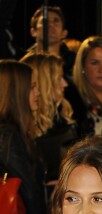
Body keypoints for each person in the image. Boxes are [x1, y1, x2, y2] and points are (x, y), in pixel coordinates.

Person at [0, 60, 46, 214]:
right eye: (32, 87)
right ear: (16, 92)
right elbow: (30, 192)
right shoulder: (9, 137)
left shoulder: (11, 134)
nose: (38, 93)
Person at [20, 52, 77, 182]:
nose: (65, 84)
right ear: (44, 83)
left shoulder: (64, 116)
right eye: (59, 78)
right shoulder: (24, 130)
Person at [27, 5, 75, 83]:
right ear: (33, 31)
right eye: (44, 21)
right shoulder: (24, 62)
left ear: (64, 33)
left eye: (56, 21)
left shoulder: (74, 63)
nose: (50, 25)